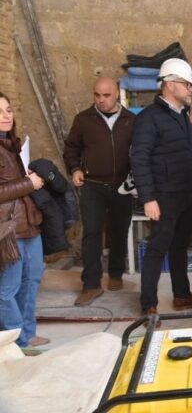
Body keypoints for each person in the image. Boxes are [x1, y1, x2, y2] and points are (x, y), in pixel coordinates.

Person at [130, 58, 192, 316]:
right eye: (186, 84)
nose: (191, 89)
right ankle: (148, 304)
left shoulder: (183, 116)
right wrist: (148, 198)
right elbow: (139, 159)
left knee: (180, 246)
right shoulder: (148, 118)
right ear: (169, 84)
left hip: (185, 193)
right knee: (157, 248)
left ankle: (182, 295)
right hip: (163, 196)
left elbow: (188, 154)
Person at [64, 77, 136, 306]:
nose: (101, 100)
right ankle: (91, 285)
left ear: (116, 94)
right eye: (97, 95)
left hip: (122, 186)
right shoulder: (83, 120)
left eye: (106, 95)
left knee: (119, 230)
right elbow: (71, 149)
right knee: (92, 234)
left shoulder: (131, 120)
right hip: (93, 185)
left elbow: (142, 151)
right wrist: (74, 169)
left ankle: (115, 273)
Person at [0, 92, 49, 348]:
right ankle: (13, 341)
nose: (6, 116)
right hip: (7, 229)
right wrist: (27, 183)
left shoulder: (10, 143)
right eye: (0, 112)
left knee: (31, 281)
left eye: (8, 110)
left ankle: (27, 335)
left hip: (27, 223)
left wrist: (26, 177)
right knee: (7, 290)